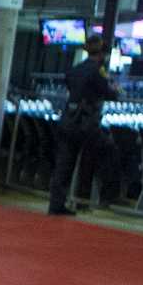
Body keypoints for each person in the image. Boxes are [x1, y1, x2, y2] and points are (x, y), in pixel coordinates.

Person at [48, 32, 118, 214]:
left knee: (64, 164)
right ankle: (100, 197)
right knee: (107, 152)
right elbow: (110, 93)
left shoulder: (75, 69)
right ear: (102, 54)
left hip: (68, 120)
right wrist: (114, 88)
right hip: (85, 125)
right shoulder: (97, 71)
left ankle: (56, 204)